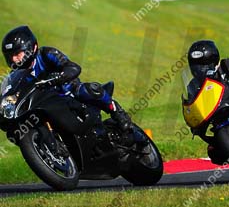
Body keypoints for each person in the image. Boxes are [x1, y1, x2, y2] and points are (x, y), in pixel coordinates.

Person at [1, 25, 132, 135]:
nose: (14, 59)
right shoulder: (16, 76)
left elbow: (73, 67)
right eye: (11, 56)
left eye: (17, 54)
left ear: (32, 47)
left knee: (88, 90)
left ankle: (117, 111)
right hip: (46, 104)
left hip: (69, 91)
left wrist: (58, 77)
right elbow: (12, 93)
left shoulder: (46, 54)